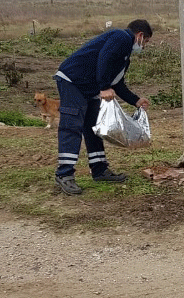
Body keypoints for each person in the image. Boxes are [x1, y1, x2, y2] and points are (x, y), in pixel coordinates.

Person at [52, 19, 153, 195]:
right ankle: (64, 174)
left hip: (89, 86)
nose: (144, 47)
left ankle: (99, 170)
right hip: (73, 81)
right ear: (140, 35)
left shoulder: (125, 55)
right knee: (72, 126)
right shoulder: (121, 37)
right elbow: (104, 57)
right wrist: (104, 86)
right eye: (146, 42)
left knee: (93, 128)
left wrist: (135, 100)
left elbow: (118, 83)